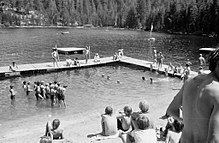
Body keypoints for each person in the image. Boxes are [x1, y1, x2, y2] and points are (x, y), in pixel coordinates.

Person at [166, 48, 219, 143]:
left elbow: (171, 110)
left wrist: (187, 121)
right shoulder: (217, 91)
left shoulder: (190, 81)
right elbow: (214, 139)